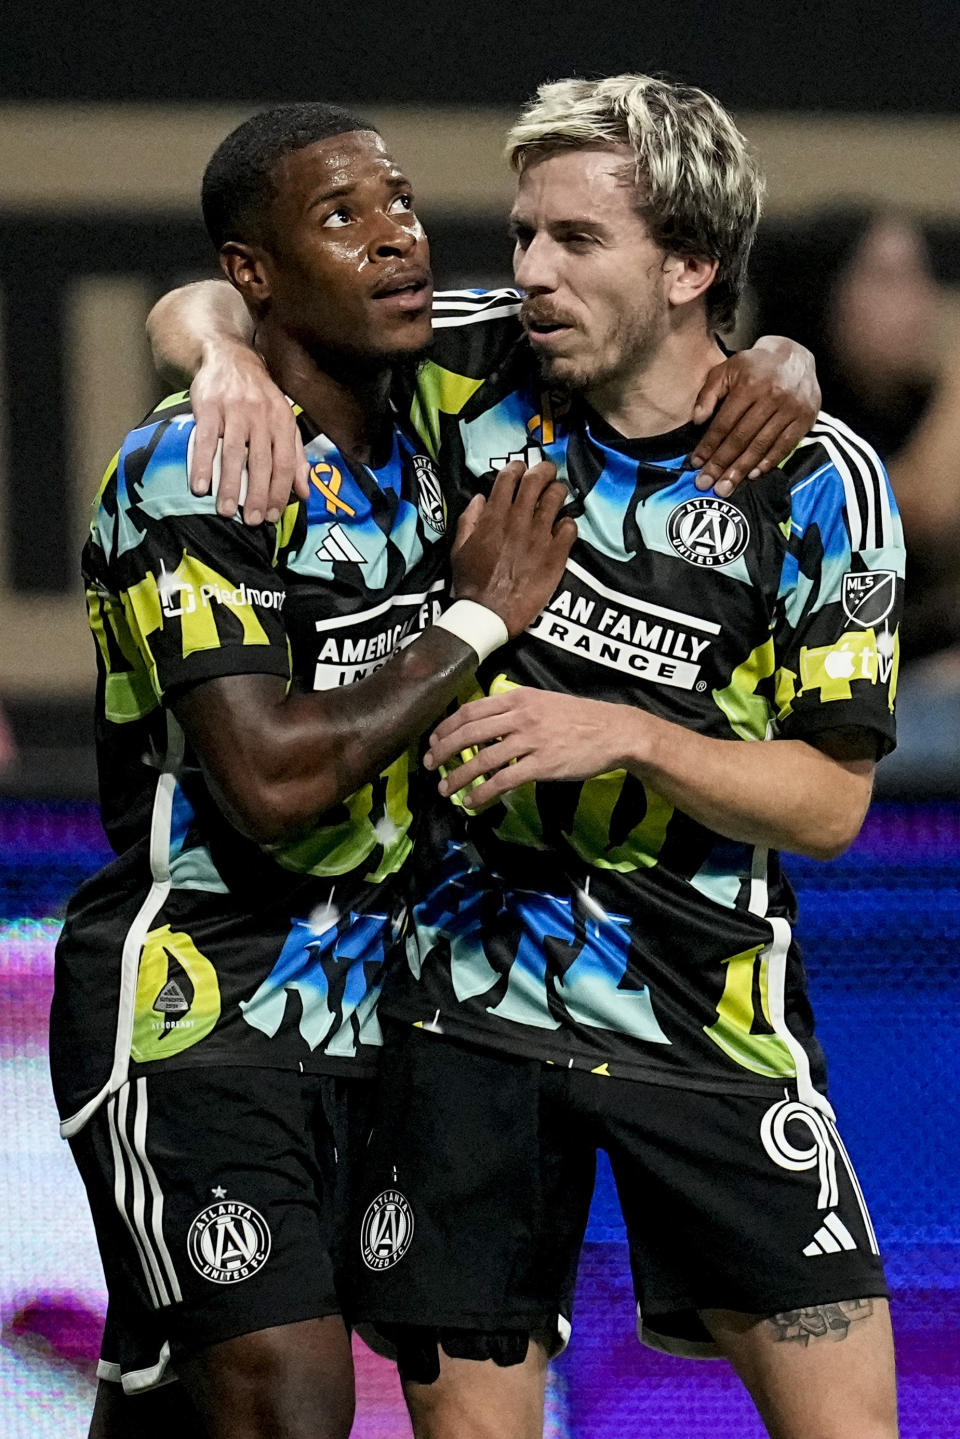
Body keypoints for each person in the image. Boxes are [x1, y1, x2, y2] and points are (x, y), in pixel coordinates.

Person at [145, 87, 833, 1439]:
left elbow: (838, 798)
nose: (522, 271)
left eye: (571, 239)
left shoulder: (786, 457)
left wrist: (786, 358)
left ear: (686, 265)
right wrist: (215, 353)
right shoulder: (456, 371)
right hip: (423, 1001)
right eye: (522, 235)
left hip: (689, 1007)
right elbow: (224, 296)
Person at [50, 100, 578, 1439]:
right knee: (289, 1400)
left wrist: (790, 361)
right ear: (257, 272)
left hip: (391, 1016)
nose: (397, 237)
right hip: (200, 1001)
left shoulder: (432, 425)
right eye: (343, 216)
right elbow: (270, 781)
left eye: (399, 201)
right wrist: (476, 619)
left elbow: (645, 324)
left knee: (187, 1397)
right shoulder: (196, 467)